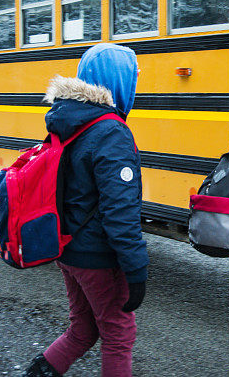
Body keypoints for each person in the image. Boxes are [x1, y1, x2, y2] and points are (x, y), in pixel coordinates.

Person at [24, 43, 148, 377]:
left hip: (68, 247)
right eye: (133, 76)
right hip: (97, 255)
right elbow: (119, 210)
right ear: (118, 81)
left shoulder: (67, 121)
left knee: (83, 329)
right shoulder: (111, 132)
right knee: (118, 334)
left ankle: (39, 372)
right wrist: (136, 266)